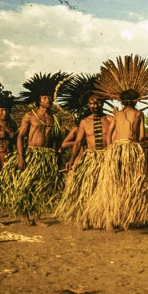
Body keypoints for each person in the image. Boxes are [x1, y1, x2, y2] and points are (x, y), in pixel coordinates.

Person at [87, 55, 148, 232]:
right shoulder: (138, 115)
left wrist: (109, 149)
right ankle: (126, 220)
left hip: (115, 150)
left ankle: (109, 221)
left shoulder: (117, 115)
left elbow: (110, 135)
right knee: (130, 185)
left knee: (113, 185)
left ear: (121, 101)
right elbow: (142, 135)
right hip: (131, 150)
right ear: (136, 101)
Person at [0, 72, 69, 226]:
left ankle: (37, 217)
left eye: (49, 97)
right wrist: (21, 157)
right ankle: (25, 215)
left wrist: (58, 151)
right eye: (44, 98)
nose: (48, 100)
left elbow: (57, 138)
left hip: (47, 155)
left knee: (42, 187)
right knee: (27, 184)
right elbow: (20, 137)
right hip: (31, 153)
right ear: (39, 100)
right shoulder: (29, 116)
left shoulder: (55, 118)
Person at [55, 89, 112, 229]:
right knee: (88, 189)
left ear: (102, 103)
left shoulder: (110, 119)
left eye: (98, 102)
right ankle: (86, 218)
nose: (95, 105)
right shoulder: (84, 122)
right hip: (91, 159)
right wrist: (72, 160)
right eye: (92, 103)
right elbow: (78, 142)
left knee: (106, 190)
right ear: (88, 105)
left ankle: (106, 219)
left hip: (107, 157)